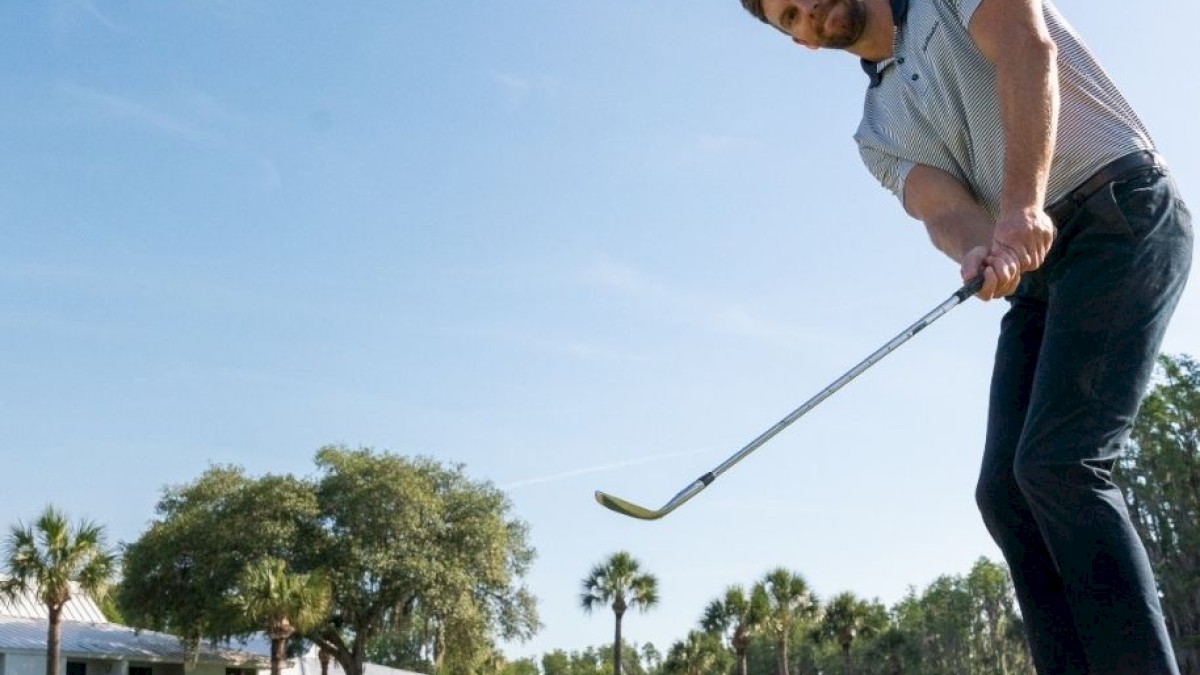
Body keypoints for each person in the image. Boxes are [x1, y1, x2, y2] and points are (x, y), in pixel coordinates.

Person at [736, 0, 1193, 673]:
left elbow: (1025, 49)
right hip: (1040, 271)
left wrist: (1021, 208)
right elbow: (942, 206)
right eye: (790, 17)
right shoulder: (877, 131)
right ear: (797, 41)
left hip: (1121, 210)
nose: (810, 13)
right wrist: (980, 247)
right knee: (1006, 494)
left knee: (1059, 463)